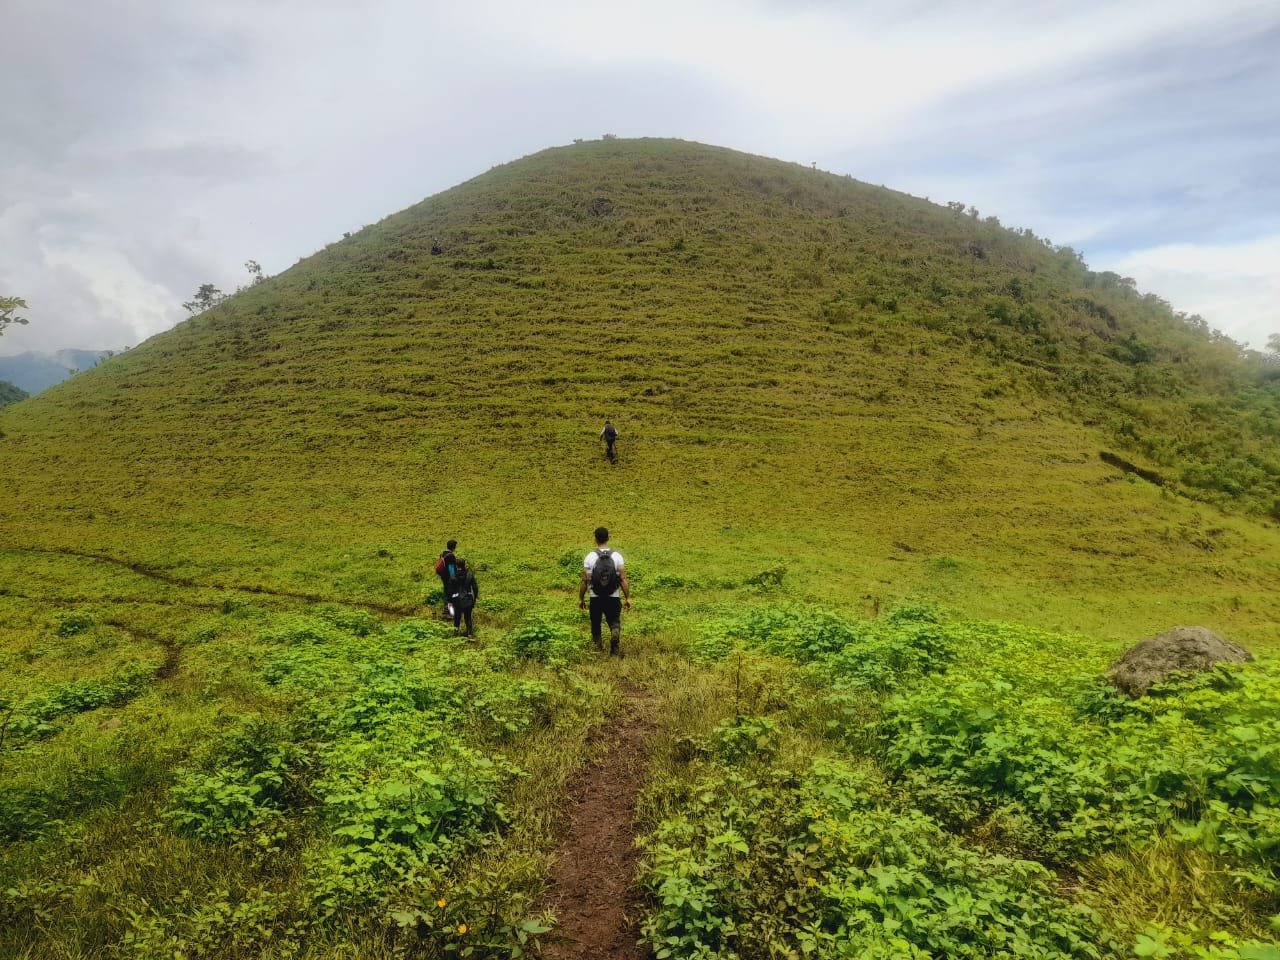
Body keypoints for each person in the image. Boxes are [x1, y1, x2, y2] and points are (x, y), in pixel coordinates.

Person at [578, 526, 631, 655]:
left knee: (596, 623)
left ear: (595, 539)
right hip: (613, 596)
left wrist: (581, 598)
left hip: (595, 596)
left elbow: (585, 580)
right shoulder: (617, 556)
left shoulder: (590, 557)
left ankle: (598, 649)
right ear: (608, 538)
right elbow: (623, 579)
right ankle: (614, 636)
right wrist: (628, 597)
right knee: (614, 620)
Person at [447, 557, 479, 636]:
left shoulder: (453, 576)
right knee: (468, 617)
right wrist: (475, 598)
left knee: (457, 618)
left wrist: (449, 601)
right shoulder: (469, 574)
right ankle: (469, 634)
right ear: (464, 565)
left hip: (457, 600)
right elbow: (475, 587)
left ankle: (455, 633)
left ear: (456, 566)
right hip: (468, 598)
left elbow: (450, 590)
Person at [435, 540, 458, 618]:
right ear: (453, 547)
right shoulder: (450, 556)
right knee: (450, 595)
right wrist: (453, 578)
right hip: (449, 579)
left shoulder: (443, 554)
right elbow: (451, 568)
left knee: (446, 593)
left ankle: (447, 611)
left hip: (443, 577)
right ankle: (450, 613)